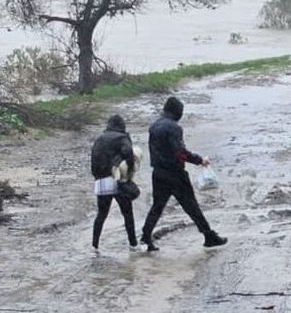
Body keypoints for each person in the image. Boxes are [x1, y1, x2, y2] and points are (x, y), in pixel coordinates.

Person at [141, 96, 227, 251]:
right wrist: (199, 160)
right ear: (178, 112)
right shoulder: (174, 128)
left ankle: (145, 237)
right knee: (191, 206)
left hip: (158, 173)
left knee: (157, 206)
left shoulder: (154, 126)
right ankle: (208, 235)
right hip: (175, 174)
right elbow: (180, 153)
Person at [89, 114, 139, 250]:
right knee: (127, 213)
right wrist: (129, 170)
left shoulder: (100, 139)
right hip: (117, 180)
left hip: (101, 182)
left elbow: (93, 161)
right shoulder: (122, 138)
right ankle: (133, 245)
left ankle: (95, 245)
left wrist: (97, 177)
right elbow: (128, 151)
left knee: (101, 214)